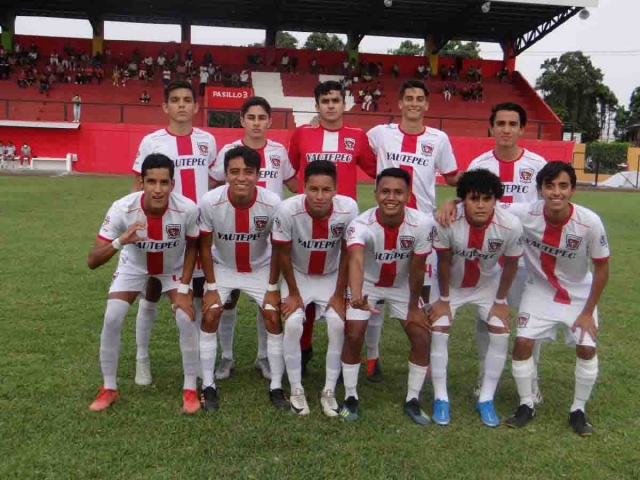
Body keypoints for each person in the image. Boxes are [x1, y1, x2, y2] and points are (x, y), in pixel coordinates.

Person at [499, 162, 609, 436]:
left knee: (586, 348)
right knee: (522, 342)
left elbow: (602, 268)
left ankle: (578, 410)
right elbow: (488, 206)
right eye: (549, 186)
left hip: (579, 294)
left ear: (572, 189)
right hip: (540, 289)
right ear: (540, 190)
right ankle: (526, 404)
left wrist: (587, 312)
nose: (556, 192)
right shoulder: (525, 213)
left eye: (562, 186)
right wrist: (453, 201)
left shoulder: (589, 222)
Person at [87, 154, 201, 413]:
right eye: (151, 182)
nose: (158, 189)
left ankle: (190, 389)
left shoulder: (187, 208)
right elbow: (92, 261)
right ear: (142, 182)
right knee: (112, 316)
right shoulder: (122, 208)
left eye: (164, 182)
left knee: (185, 317)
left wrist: (184, 289)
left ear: (173, 184)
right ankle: (109, 388)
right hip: (134, 265)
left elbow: (193, 246)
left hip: (172, 268)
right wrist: (120, 241)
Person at [178, 146, 287, 410]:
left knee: (272, 314)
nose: (241, 178)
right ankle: (209, 386)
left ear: (258, 174)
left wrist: (273, 287)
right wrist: (211, 287)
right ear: (225, 174)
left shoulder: (272, 203)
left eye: (248, 172)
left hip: (259, 267)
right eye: (234, 171)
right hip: (224, 266)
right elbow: (204, 246)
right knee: (212, 312)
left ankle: (276, 386)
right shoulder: (210, 201)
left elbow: (280, 247)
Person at [365, 80, 459, 381]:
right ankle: (371, 357)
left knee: (423, 292)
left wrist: (456, 198)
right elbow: (351, 142)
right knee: (377, 292)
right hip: (386, 221)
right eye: (409, 98)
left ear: (427, 104)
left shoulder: (439, 139)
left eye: (420, 99)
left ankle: (424, 358)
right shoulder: (382, 133)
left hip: (423, 225)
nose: (415, 103)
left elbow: (453, 176)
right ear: (400, 103)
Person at [130, 80, 217, 386]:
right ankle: (142, 359)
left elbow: (215, 182)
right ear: (165, 107)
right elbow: (138, 187)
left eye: (187, 100)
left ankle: (192, 366)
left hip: (197, 233)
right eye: (175, 100)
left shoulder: (208, 141)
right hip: (161, 232)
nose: (181, 105)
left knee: (192, 298)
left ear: (196, 107)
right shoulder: (151, 141)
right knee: (151, 293)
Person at [289, 81, 378, 372]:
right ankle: (304, 350)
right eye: (325, 100)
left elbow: (377, 171)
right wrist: (302, 201)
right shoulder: (302, 134)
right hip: (309, 223)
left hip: (346, 225)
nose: (330, 105)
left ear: (344, 104)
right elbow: (289, 172)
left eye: (335, 100)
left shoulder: (357, 136)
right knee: (310, 291)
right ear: (317, 105)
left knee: (348, 290)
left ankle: (346, 357)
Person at [463, 102, 547, 403]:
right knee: (486, 319)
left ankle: (531, 378)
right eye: (501, 123)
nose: (507, 129)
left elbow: (543, 207)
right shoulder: (479, 165)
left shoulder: (538, 166)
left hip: (527, 258)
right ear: (491, 127)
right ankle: (485, 375)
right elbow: (466, 204)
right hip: (487, 257)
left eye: (513, 124)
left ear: (522, 129)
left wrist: (506, 210)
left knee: (529, 319)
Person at [210, 96, 298, 381]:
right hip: (230, 237)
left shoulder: (279, 152)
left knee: (267, 302)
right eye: (251, 117)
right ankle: (226, 357)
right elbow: (213, 185)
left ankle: (263, 357)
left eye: (262, 118)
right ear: (242, 120)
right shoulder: (228, 150)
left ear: (270, 121)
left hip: (268, 240)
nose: (257, 123)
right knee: (229, 300)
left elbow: (293, 186)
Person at [428, 169, 523, 427]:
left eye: (487, 198)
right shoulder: (448, 221)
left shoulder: (510, 225)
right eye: (473, 198)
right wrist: (444, 299)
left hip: (487, 284)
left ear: (496, 200)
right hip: (451, 286)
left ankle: (486, 399)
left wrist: (501, 302)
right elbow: (443, 263)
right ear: (463, 199)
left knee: (501, 331)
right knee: (438, 328)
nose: (480, 205)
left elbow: (512, 265)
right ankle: (441, 398)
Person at [340, 168, 435, 424]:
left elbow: (417, 269)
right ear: (376, 194)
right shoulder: (360, 224)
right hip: (368, 284)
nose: (391, 197)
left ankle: (412, 400)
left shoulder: (422, 224)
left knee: (421, 335)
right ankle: (350, 396)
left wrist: (414, 307)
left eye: (398, 192)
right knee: (353, 333)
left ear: (408, 195)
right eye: (385, 191)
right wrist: (358, 295)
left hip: (402, 286)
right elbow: (356, 260)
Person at [271, 161, 359, 416]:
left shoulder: (348, 208)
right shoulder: (288, 209)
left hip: (331, 276)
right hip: (297, 275)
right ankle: (297, 389)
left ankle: (329, 391)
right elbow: (283, 254)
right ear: (303, 188)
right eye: (313, 189)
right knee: (294, 323)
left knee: (337, 324)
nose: (320, 196)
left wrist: (339, 293)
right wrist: (295, 294)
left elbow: (347, 252)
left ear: (336, 189)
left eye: (326, 190)